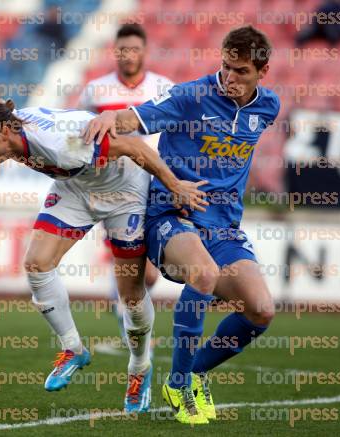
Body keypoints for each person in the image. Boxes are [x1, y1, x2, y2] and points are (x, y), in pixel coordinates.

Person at [0, 91, 208, 413]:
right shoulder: (9, 127)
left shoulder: (62, 145)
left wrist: (175, 187)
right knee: (36, 263)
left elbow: (135, 146)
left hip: (124, 192)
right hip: (77, 189)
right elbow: (4, 109)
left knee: (130, 295)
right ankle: (73, 349)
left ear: (1, 132)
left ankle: (139, 368)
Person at [82, 25, 280, 425]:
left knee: (260, 310)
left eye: (240, 71)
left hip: (224, 229)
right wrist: (108, 121)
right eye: (225, 67)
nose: (229, 78)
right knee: (203, 274)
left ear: (263, 71)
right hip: (171, 216)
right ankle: (177, 383)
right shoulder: (191, 96)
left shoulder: (268, 108)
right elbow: (136, 116)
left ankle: (196, 373)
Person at [77, 23, 173, 351]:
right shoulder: (95, 90)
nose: (128, 55)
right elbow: (80, 134)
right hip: (114, 185)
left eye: (134, 49)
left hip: (155, 182)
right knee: (133, 266)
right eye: (122, 50)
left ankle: (121, 302)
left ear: (144, 52)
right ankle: (129, 317)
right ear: (115, 52)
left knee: (149, 276)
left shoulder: (163, 87)